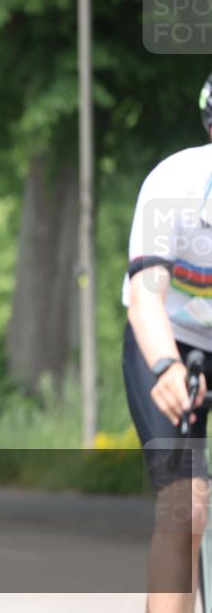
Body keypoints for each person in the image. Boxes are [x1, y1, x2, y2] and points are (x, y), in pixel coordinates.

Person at [122, 72, 212, 613]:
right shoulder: (172, 184)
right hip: (166, 336)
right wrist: (165, 367)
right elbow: (146, 296)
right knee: (185, 504)